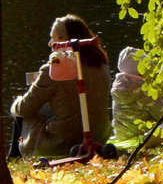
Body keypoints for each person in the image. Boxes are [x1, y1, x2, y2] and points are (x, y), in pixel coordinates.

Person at [13, 16, 111, 159]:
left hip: (62, 142)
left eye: (53, 39)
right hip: (100, 135)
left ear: (64, 40)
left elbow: (24, 108)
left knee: (24, 111)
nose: (49, 44)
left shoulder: (55, 69)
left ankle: (15, 155)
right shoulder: (102, 63)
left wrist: (16, 103)